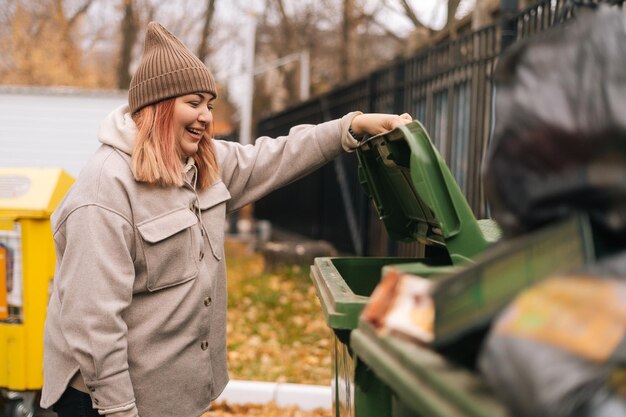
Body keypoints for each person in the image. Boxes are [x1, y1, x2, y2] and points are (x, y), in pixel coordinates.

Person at [39, 21, 412, 417]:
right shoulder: (104, 193)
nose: (205, 117)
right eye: (193, 102)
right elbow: (94, 323)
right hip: (105, 402)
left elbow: (275, 156)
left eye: (209, 105)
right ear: (158, 106)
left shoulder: (201, 164)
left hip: (170, 396)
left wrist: (348, 128)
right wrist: (120, 411)